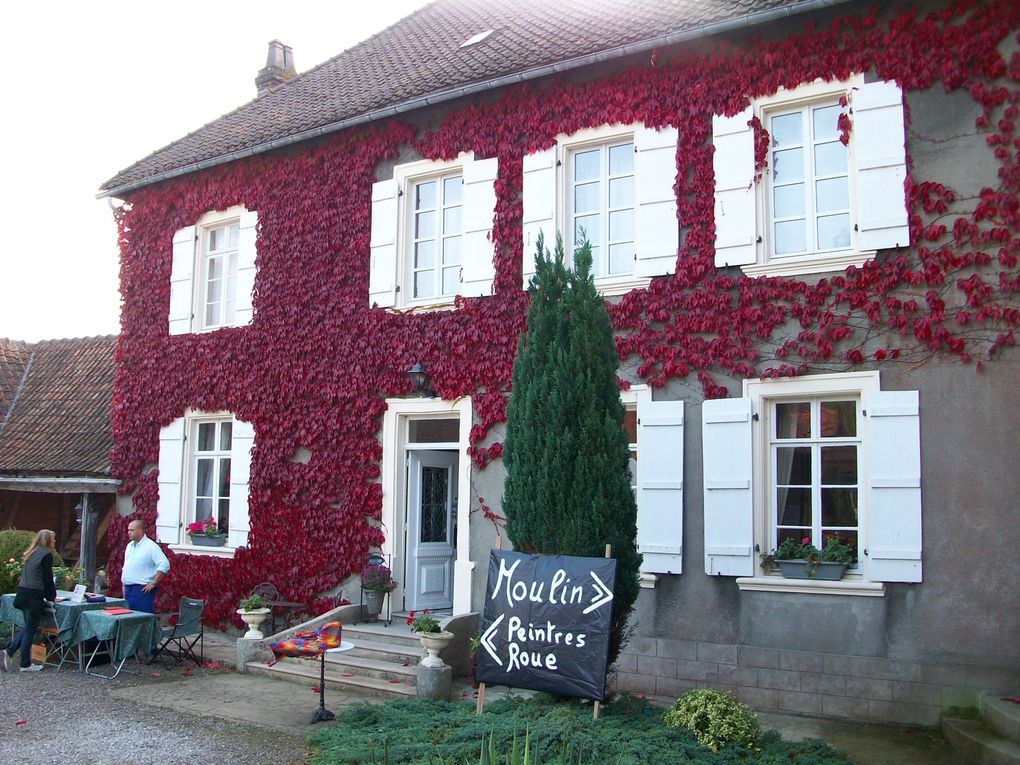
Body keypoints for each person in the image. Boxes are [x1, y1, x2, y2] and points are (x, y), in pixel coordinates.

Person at [1, 529, 58, 672]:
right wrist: (52, 597)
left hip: (23, 592)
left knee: (28, 627)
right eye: (53, 539)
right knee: (31, 629)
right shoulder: (46, 555)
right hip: (34, 595)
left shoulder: (31, 553)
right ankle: (24, 662)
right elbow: (47, 578)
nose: (54, 541)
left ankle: (10, 651)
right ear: (47, 540)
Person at [122, 519, 170, 613]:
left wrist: (153, 583)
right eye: (128, 530)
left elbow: (164, 564)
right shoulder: (130, 546)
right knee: (127, 618)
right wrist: (124, 584)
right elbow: (127, 565)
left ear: (140, 531)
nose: (128, 533)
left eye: (131, 530)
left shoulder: (151, 546)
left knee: (139, 619)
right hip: (128, 589)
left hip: (142, 589)